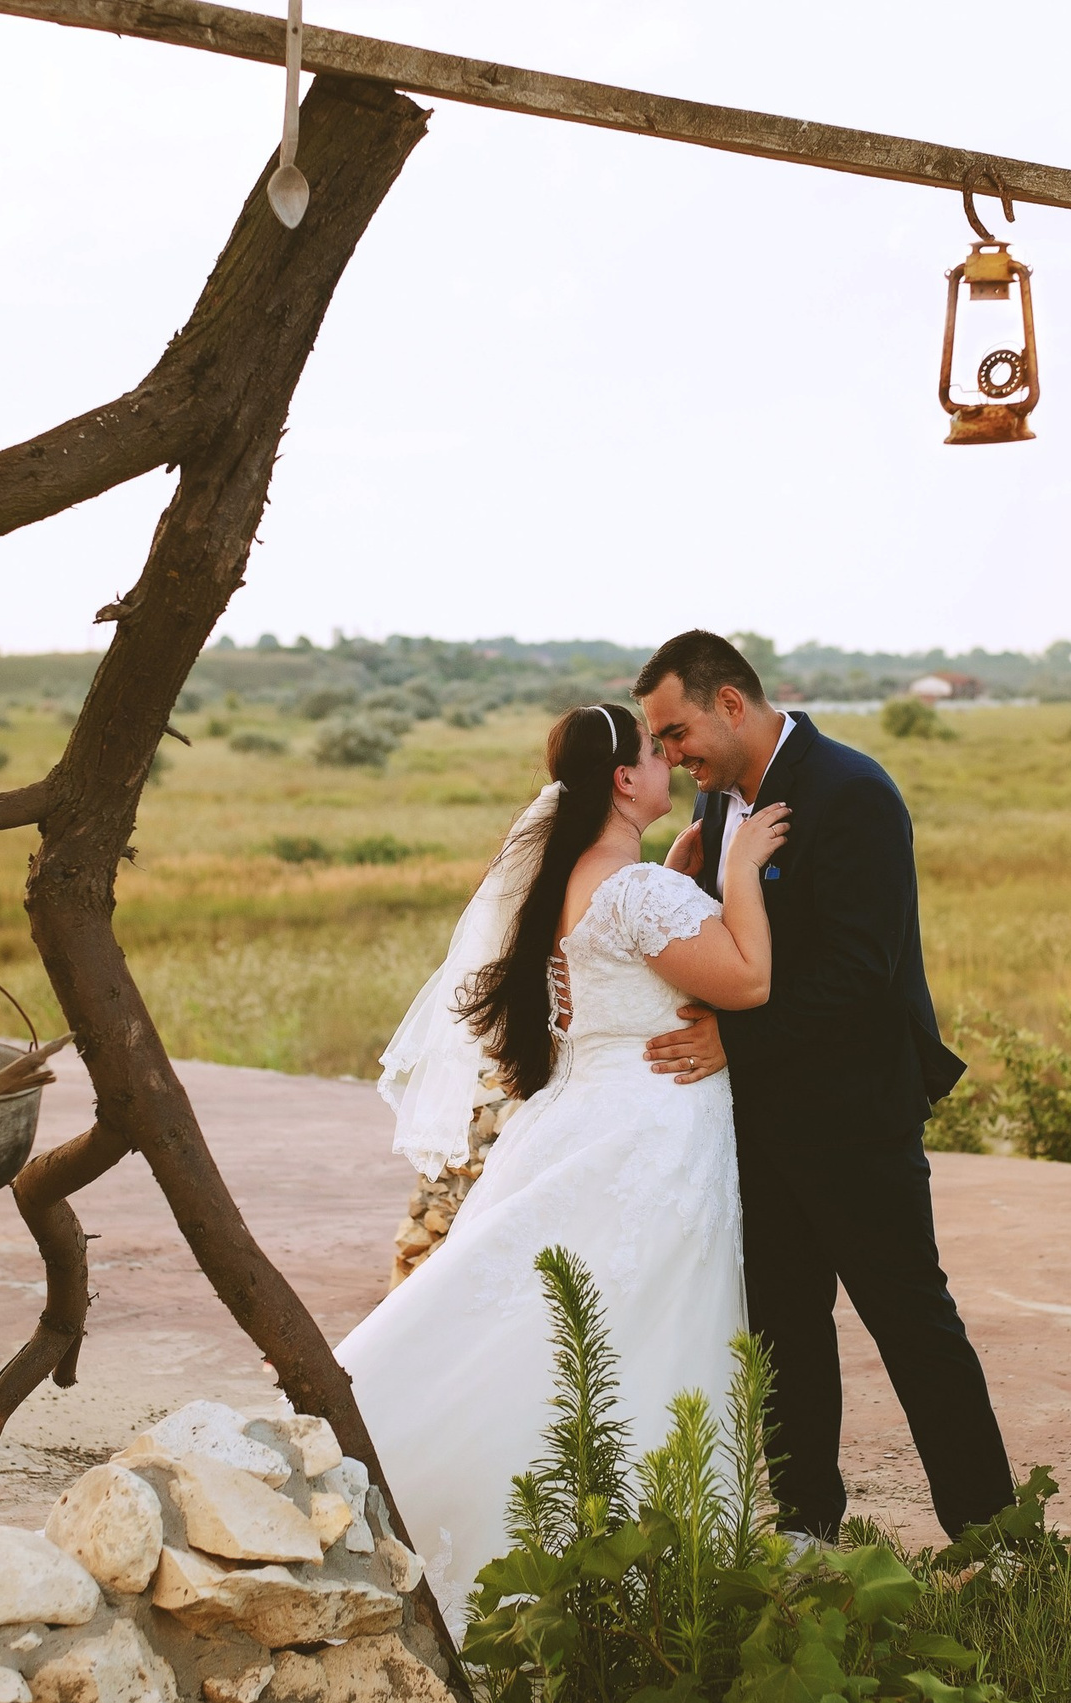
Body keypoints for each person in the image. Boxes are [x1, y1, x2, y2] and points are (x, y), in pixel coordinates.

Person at [336, 702, 791, 1613]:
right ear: (624, 779)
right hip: (655, 1132)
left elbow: (620, 970)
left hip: (585, 1116)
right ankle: (649, 1558)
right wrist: (740, 869)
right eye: (656, 752)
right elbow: (747, 979)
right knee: (640, 1324)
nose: (669, 765)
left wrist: (676, 879)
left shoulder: (576, 878)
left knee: (558, 1324)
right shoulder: (637, 890)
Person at [634, 630, 1013, 1544]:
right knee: (785, 1327)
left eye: (677, 731)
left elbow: (860, 970)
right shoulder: (717, 802)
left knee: (911, 1320)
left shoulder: (854, 792)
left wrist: (732, 1039)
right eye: (659, 740)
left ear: (731, 703)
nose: (671, 754)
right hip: (757, 1123)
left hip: (856, 1117)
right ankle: (806, 1527)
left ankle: (994, 1537)